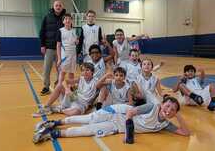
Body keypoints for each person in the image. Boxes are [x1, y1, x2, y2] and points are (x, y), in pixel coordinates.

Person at [32, 95, 190, 144]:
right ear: (162, 104)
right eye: (167, 106)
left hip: (116, 126)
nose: (168, 110)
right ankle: (54, 123)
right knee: (88, 119)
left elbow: (185, 132)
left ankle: (51, 134)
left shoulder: (165, 124)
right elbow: (131, 113)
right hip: (117, 112)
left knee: (89, 131)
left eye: (172, 110)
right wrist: (129, 136)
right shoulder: (152, 107)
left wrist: (178, 116)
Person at [32, 63, 99, 117]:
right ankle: (47, 106)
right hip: (75, 97)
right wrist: (67, 89)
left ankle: (56, 109)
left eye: (87, 70)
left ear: (92, 72)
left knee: (75, 113)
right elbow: (64, 81)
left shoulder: (96, 81)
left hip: (82, 103)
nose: (85, 72)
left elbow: (107, 82)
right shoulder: (80, 79)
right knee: (60, 85)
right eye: (83, 70)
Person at [39, 0, 66, 96]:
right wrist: (42, 45)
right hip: (49, 48)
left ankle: (58, 85)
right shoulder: (47, 17)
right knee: (46, 69)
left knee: (60, 70)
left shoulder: (65, 17)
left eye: (60, 5)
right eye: (56, 5)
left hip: (62, 49)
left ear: (62, 7)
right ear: (53, 7)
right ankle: (46, 87)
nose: (58, 7)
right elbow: (42, 31)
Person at [56, 13, 79, 92]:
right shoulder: (60, 31)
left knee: (71, 73)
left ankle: (71, 89)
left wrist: (77, 41)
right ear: (63, 21)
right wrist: (59, 58)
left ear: (72, 21)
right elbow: (58, 45)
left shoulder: (74, 31)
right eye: (65, 19)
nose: (68, 20)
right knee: (63, 72)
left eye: (69, 19)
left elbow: (75, 42)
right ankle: (59, 87)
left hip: (73, 55)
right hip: (64, 55)